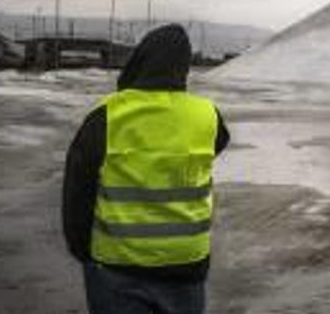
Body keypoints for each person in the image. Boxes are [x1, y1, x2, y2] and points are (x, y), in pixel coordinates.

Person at [62, 24, 230, 314]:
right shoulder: (207, 114)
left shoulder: (107, 115)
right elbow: (219, 142)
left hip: (117, 266)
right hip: (186, 264)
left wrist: (81, 248)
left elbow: (78, 190)